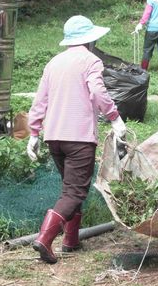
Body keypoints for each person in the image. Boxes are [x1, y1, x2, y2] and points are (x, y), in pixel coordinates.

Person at [26, 15, 127, 264]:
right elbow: (97, 91)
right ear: (90, 40)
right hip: (79, 138)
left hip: (54, 137)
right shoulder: (91, 60)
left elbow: (40, 100)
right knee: (75, 191)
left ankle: (71, 240)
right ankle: (45, 239)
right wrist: (114, 117)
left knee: (70, 188)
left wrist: (34, 133)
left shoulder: (54, 63)